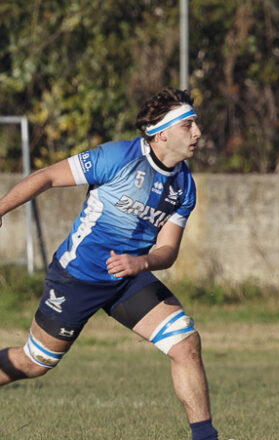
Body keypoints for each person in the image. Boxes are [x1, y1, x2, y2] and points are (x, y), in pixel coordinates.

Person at [0, 88, 219, 440]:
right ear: (162, 132)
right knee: (34, 363)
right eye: (189, 125)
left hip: (129, 278)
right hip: (77, 277)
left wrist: (142, 263)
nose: (198, 133)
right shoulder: (117, 156)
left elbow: (168, 250)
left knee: (185, 343)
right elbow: (47, 177)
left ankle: (206, 437)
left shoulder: (184, 187)